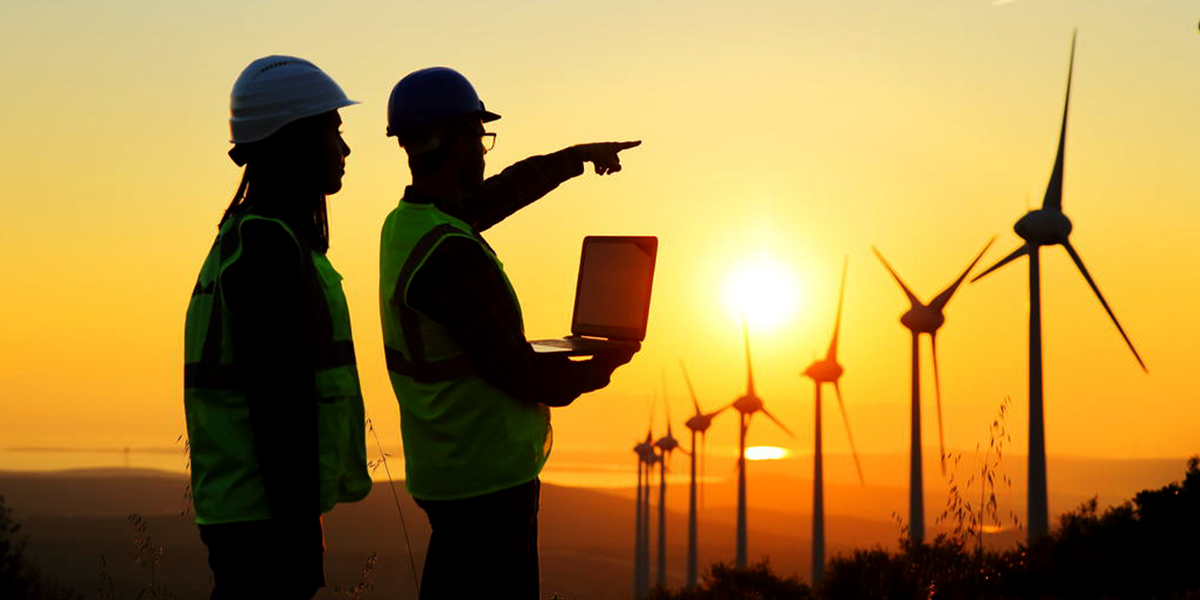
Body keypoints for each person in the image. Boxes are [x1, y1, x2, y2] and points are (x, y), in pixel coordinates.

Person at [378, 66, 640, 599]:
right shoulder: (450, 251)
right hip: (486, 480)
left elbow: (502, 193)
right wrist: (597, 370)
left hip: (449, 470)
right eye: (479, 138)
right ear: (455, 143)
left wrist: (576, 158)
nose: (482, 152)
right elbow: (516, 370)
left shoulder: (410, 225)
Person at [183, 55, 372, 600]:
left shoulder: (247, 238)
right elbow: (279, 403)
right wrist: (299, 536)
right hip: (264, 520)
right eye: (333, 131)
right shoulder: (268, 250)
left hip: (246, 513)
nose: (345, 148)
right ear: (292, 141)